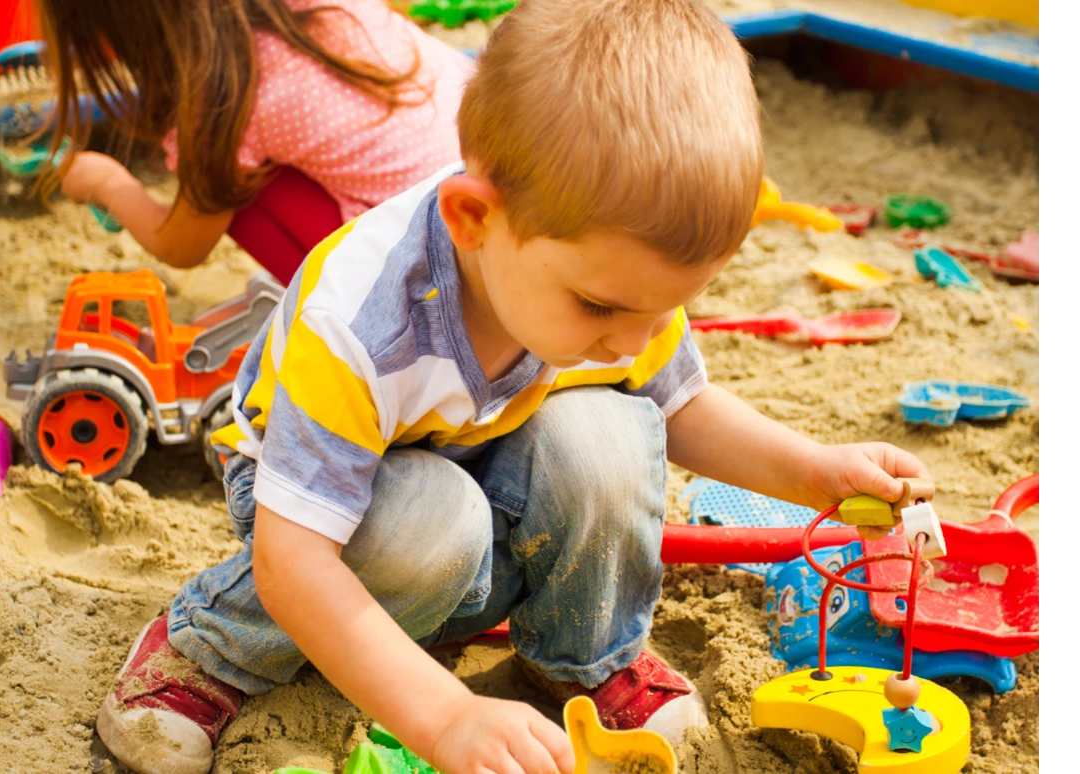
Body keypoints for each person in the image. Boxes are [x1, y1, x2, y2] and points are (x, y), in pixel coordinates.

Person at [92, 2, 931, 773]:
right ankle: (210, 645)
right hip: (321, 514)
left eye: (666, 308)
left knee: (608, 436)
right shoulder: (362, 321)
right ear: (472, 220)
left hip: (483, 465)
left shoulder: (603, 282)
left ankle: (581, 654)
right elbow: (293, 559)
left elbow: (679, 406)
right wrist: (445, 717)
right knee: (434, 525)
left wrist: (814, 470)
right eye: (603, 305)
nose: (636, 338)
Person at [35, 0, 474, 286]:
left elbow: (182, 245)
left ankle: (333, 320)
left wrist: (106, 183)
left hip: (442, 293)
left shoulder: (231, 88)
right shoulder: (309, 12)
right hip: (486, 230)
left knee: (230, 183)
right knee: (242, 161)